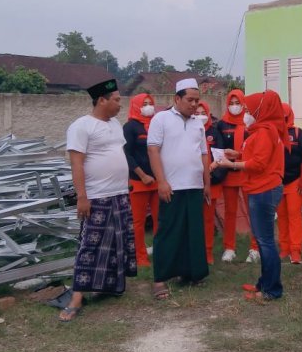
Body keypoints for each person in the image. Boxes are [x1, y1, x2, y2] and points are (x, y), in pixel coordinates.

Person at [61, 79, 137, 321]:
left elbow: (119, 154)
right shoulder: (81, 126)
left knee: (118, 242)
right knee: (90, 246)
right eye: (116, 99)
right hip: (96, 196)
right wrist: (82, 197)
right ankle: (77, 297)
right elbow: (76, 163)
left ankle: (110, 286)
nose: (119, 104)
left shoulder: (115, 124)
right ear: (101, 100)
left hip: (120, 194)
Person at [217, 90, 287, 300]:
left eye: (248, 109)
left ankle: (272, 290)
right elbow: (257, 155)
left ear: (260, 110)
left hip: (264, 189)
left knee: (265, 241)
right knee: (262, 238)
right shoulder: (261, 130)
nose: (245, 112)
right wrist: (237, 153)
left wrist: (232, 164)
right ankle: (264, 283)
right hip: (260, 187)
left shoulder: (266, 131)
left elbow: (259, 164)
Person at [147, 78, 211, 299]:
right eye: (190, 100)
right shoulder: (161, 119)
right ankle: (160, 279)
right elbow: (153, 151)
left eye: (197, 100)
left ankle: (192, 273)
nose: (194, 105)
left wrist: (207, 183)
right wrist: (161, 181)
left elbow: (204, 154)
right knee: (168, 232)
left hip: (194, 185)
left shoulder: (198, 123)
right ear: (177, 98)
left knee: (193, 232)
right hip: (171, 186)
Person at [217, 89, 257, 263]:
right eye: (231, 103)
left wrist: (239, 154)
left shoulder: (250, 123)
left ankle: (255, 247)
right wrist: (226, 154)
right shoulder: (221, 124)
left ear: (243, 103)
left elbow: (256, 148)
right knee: (230, 211)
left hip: (247, 172)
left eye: (237, 103)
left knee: (252, 211)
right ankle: (229, 247)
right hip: (229, 175)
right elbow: (217, 148)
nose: (234, 106)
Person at [123, 93, 159, 267]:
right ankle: (140, 256)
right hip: (138, 181)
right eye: (144, 104)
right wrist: (143, 175)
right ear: (136, 106)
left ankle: (161, 250)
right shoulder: (130, 127)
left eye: (150, 103)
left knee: (160, 219)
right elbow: (126, 154)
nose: (147, 106)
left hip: (158, 181)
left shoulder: (157, 124)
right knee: (138, 222)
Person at [195, 101, 227, 265]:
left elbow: (220, 156)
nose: (200, 116)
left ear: (208, 114)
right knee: (194, 220)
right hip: (192, 183)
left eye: (203, 112)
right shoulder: (189, 131)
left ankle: (208, 253)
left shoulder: (215, 132)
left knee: (208, 220)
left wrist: (212, 175)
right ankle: (194, 251)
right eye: (197, 112)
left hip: (211, 183)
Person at [277, 103, 302, 264]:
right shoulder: (273, 133)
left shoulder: (298, 133)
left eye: (284, 115)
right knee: (281, 216)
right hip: (277, 182)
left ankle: (296, 250)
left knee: (294, 215)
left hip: (295, 181)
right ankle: (285, 248)